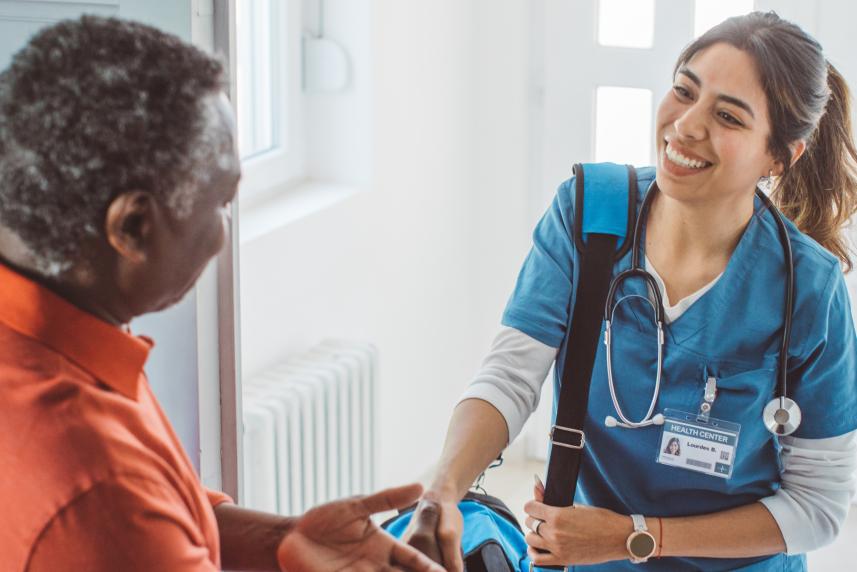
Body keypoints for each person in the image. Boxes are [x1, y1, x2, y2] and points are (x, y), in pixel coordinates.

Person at [405, 12, 857, 571]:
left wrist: (637, 537)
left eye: (727, 116)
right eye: (683, 91)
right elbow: (509, 376)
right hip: (584, 558)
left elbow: (818, 507)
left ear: (780, 155)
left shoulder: (807, 289)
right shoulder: (589, 214)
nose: (686, 126)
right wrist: (441, 492)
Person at [0, 16, 443, 572]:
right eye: (222, 202)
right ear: (133, 225)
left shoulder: (64, 333)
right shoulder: (99, 493)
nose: (222, 233)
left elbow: (164, 513)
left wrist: (284, 538)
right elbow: (129, 519)